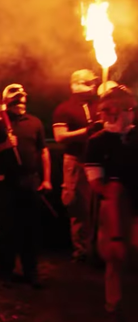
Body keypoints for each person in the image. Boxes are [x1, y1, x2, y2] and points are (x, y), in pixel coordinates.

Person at [0, 84, 52, 288]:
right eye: (16, 99)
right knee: (7, 230)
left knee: (31, 229)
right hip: (6, 184)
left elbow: (44, 151)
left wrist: (46, 179)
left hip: (30, 182)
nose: (21, 102)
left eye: (23, 99)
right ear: (7, 102)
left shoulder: (35, 122)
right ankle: (5, 273)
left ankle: (31, 273)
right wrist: (4, 145)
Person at [84, 85, 138, 320]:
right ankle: (114, 303)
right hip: (114, 207)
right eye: (110, 108)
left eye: (127, 107)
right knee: (115, 257)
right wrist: (115, 197)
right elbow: (96, 182)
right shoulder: (98, 141)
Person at [53, 70, 101, 262]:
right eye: (88, 83)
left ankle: (98, 249)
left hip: (97, 161)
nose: (93, 86)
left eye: (94, 83)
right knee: (77, 206)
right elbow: (60, 137)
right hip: (75, 162)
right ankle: (81, 251)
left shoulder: (100, 105)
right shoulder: (64, 109)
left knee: (97, 207)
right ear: (75, 85)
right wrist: (87, 131)